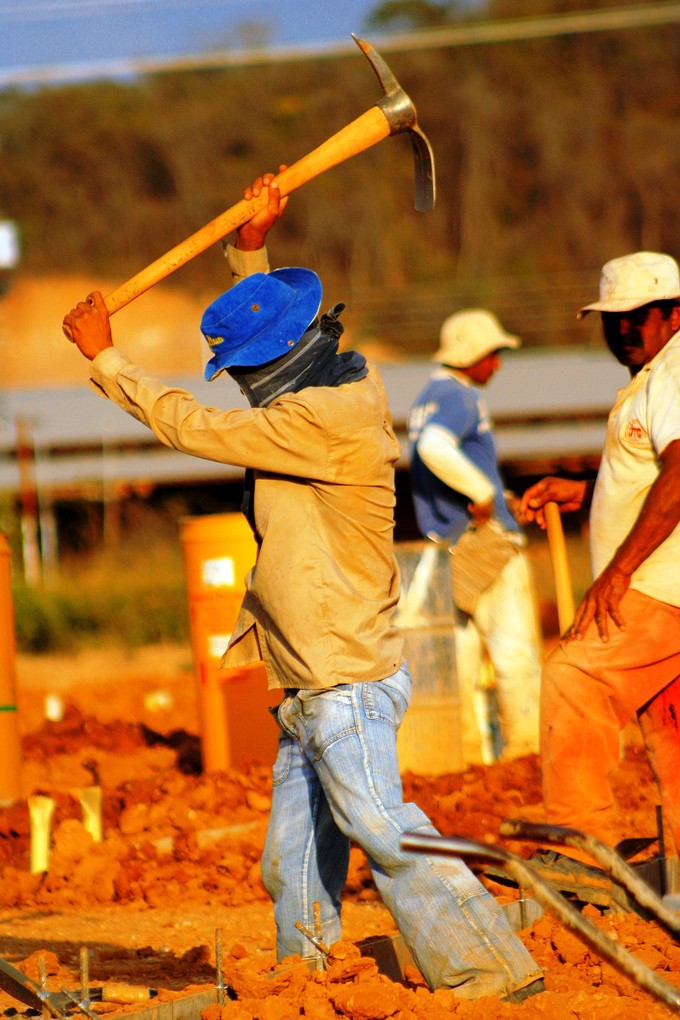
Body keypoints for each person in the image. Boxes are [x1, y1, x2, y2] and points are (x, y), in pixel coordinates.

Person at [62, 173, 544, 1002]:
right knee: (291, 858)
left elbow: (193, 425)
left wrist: (108, 359)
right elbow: (275, 336)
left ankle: (496, 974)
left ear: (279, 369)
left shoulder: (315, 422)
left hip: (343, 673)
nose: (244, 382)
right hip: (311, 675)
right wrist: (253, 252)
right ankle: (304, 980)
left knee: (386, 831)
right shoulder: (331, 382)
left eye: (248, 370)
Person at [519, 250, 680, 877]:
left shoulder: (674, 369)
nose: (620, 331)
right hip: (658, 580)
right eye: (610, 320)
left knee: (574, 678)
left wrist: (617, 572)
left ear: (671, 313)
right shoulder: (653, 375)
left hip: (657, 584)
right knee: (669, 732)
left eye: (634, 318)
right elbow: (647, 482)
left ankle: (578, 847)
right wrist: (579, 491)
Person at [407, 310, 542, 764]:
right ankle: (526, 752)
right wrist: (484, 494)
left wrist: (498, 493)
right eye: (494, 354)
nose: (498, 365)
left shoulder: (426, 396)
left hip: (447, 546)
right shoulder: (459, 397)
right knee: (514, 652)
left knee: (459, 659)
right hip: (485, 544)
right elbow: (434, 448)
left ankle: (464, 757)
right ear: (473, 356)